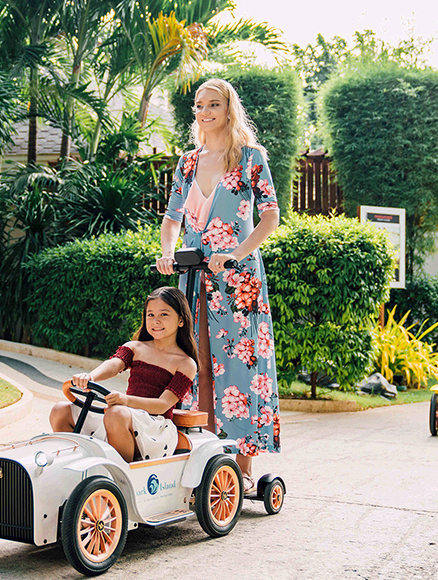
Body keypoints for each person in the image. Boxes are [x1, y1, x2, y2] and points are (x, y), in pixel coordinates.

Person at [155, 78, 281, 493]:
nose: (204, 112)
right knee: (196, 364)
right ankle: (201, 457)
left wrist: (237, 253)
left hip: (238, 280)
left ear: (229, 109)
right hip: (193, 277)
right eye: (199, 105)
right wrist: (167, 252)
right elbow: (172, 217)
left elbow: (270, 217)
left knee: (241, 367)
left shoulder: (250, 158)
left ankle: (242, 467)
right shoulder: (188, 162)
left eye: (213, 104)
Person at [49, 287, 198, 463]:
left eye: (164, 314)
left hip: (154, 426)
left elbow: (162, 405)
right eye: (150, 315)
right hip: (124, 415)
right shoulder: (135, 347)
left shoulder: (186, 363)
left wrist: (125, 400)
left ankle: (121, 474)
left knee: (116, 413)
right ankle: (74, 462)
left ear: (181, 320)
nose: (156, 320)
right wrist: (90, 377)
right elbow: (114, 365)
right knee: (60, 410)